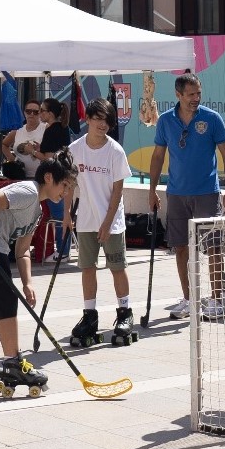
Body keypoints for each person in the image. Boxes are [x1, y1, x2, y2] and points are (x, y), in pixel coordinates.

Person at [0, 154, 74, 396]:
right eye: (64, 185)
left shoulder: (37, 210)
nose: (66, 192)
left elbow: (22, 251)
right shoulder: (28, 192)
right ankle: (13, 364)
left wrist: (28, 283)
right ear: (49, 178)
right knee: (6, 305)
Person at [148, 73, 225, 320]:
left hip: (207, 193)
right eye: (191, 94)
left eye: (198, 93)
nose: (196, 98)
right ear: (178, 95)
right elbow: (157, 156)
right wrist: (152, 189)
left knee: (213, 247)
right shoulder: (165, 121)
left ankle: (216, 300)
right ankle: (189, 300)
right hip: (176, 193)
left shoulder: (212, 118)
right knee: (180, 248)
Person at [64, 98, 135, 346]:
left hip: (111, 221)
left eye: (106, 121)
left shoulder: (115, 151)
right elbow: (69, 183)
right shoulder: (75, 149)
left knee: (117, 266)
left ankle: (124, 313)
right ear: (88, 120)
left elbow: (118, 191)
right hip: (85, 219)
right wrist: (66, 214)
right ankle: (89, 315)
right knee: (87, 268)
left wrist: (107, 223)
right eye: (97, 119)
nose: (102, 125)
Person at [36, 97, 72, 260]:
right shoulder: (62, 128)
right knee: (59, 214)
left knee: (58, 215)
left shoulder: (52, 130)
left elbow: (49, 158)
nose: (39, 114)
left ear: (50, 113)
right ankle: (62, 249)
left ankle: (63, 251)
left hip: (54, 178)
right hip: (61, 175)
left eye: (41, 111)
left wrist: (32, 151)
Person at [3, 99, 47, 179]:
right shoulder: (17, 130)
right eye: (28, 111)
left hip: (42, 177)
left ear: (40, 113)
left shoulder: (46, 128)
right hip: (19, 176)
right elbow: (4, 144)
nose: (32, 114)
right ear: (24, 113)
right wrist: (12, 159)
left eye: (35, 112)